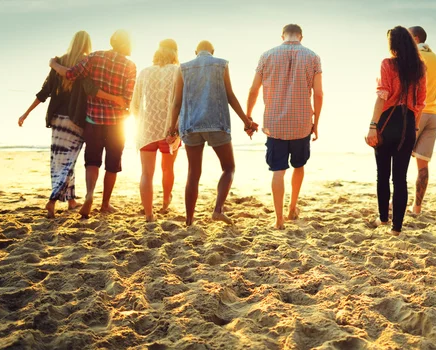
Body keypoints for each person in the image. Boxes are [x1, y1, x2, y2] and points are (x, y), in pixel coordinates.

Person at [18, 31, 126, 219]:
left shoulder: (58, 61)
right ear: (87, 44)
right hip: (77, 119)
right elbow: (91, 89)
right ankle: (52, 201)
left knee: (60, 160)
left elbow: (44, 92)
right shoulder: (86, 63)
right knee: (69, 161)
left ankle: (71, 201)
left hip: (57, 119)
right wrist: (117, 99)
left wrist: (27, 113)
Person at [167, 40, 258, 226]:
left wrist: (171, 127)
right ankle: (218, 210)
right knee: (228, 167)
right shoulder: (221, 64)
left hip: (190, 125)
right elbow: (230, 95)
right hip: (217, 124)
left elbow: (177, 102)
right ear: (213, 51)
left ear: (195, 51)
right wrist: (246, 121)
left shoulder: (182, 68)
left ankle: (189, 220)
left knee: (193, 172)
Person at [49, 29, 137, 218]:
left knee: (92, 161)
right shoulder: (130, 66)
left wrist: (54, 64)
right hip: (117, 123)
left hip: (93, 120)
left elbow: (71, 74)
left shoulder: (94, 57)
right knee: (112, 164)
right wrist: (117, 100)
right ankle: (105, 204)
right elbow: (127, 98)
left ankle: (89, 195)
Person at [246, 24, 323, 230]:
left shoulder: (267, 56)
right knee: (299, 165)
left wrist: (248, 115)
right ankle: (292, 208)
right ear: (301, 36)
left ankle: (278, 219)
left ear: (282, 36)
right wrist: (316, 123)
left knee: (278, 170)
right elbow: (319, 93)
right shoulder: (313, 57)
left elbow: (254, 89)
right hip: (301, 123)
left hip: (275, 124)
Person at [365, 26, 426, 235]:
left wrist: (373, 126)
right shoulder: (419, 68)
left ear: (393, 44)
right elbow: (420, 103)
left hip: (388, 122)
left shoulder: (387, 64)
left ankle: (383, 219)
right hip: (407, 124)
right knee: (400, 178)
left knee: (382, 174)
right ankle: (396, 229)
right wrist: (414, 128)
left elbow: (382, 95)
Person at [131, 39, 181, 222]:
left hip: (146, 130)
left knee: (146, 173)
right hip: (170, 131)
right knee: (167, 168)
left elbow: (134, 106)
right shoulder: (178, 71)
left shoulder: (144, 72)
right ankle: (166, 201)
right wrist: (177, 127)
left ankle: (149, 214)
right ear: (175, 53)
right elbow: (181, 102)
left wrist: (143, 122)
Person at [408, 26, 436, 215]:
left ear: (415, 38)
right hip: (433, 115)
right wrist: (429, 99)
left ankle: (392, 202)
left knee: (399, 159)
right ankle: (417, 208)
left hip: (416, 113)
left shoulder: (412, 57)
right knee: (422, 164)